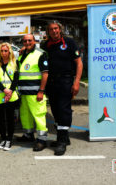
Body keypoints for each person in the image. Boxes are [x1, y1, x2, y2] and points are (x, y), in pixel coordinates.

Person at [41, 21, 83, 156]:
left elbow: (79, 63)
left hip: (66, 80)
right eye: (51, 29)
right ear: (48, 32)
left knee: (63, 109)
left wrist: (76, 82)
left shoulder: (69, 43)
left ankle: (61, 142)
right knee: (55, 110)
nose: (54, 31)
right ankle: (64, 137)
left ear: (60, 29)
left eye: (56, 28)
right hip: (51, 82)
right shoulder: (45, 45)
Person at [17, 34, 49, 152]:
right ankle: (28, 135)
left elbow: (45, 74)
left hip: (36, 93)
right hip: (24, 92)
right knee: (25, 115)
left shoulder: (40, 54)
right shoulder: (22, 55)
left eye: (30, 40)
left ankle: (42, 140)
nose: (27, 42)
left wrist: (41, 91)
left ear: (34, 41)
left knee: (39, 115)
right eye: (25, 41)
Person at [0, 43, 19, 151]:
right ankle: (3, 138)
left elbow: (16, 79)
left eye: (5, 51)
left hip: (11, 96)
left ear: (9, 52)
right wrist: (4, 90)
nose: (4, 53)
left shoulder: (15, 63)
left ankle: (9, 139)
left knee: (10, 119)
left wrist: (10, 91)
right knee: (0, 119)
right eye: (1, 51)